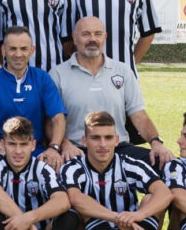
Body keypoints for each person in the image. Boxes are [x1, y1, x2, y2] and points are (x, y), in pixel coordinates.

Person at [62, 111, 184, 230]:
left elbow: (165, 194)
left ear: (117, 140)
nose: (103, 144)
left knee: (152, 199)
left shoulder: (129, 164)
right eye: (95, 138)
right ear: (84, 141)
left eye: (108, 137)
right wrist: (116, 218)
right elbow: (74, 198)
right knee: (81, 207)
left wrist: (138, 215)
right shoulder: (73, 167)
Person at [51, 17, 173, 167]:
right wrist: (65, 144)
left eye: (98, 34)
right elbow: (51, 121)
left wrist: (156, 143)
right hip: (77, 150)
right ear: (75, 38)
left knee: (167, 163)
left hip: (118, 148)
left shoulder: (122, 71)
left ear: (105, 37)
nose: (92, 39)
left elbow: (139, 114)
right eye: (86, 34)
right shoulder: (58, 74)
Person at [0, 26, 67, 169]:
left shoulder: (42, 78)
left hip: (36, 152)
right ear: (3, 50)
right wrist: (3, 149)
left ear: (32, 50)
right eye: (13, 49)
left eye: (23, 49)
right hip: (1, 153)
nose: (18, 54)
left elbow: (58, 117)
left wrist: (54, 148)